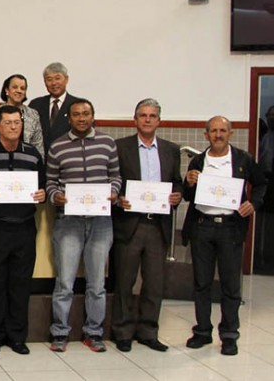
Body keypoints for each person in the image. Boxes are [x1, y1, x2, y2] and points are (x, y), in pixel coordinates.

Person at [182, 115, 267, 356]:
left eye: (222, 130)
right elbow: (188, 196)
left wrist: (254, 203)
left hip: (230, 227)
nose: (218, 135)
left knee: (230, 285)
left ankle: (229, 334)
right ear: (205, 135)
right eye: (213, 131)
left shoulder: (242, 159)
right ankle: (202, 331)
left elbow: (261, 183)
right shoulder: (198, 161)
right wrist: (188, 182)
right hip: (202, 226)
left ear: (230, 133)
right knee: (201, 283)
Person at [0, 105, 46, 355]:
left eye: (18, 122)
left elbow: (43, 187)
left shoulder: (33, 154)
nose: (14, 127)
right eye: (9, 123)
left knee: (20, 283)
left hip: (24, 227)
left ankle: (16, 336)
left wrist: (42, 194)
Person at [46, 99, 121, 353]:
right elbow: (50, 182)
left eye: (86, 114)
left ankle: (94, 332)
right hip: (68, 221)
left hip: (101, 221)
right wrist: (56, 196)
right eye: (76, 114)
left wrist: (113, 192)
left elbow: (116, 177)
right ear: (69, 118)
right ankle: (59, 333)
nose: (81, 118)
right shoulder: (57, 147)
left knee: (97, 283)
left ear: (93, 115)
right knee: (65, 282)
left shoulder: (107, 143)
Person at [111, 98, 182, 353]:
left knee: (154, 282)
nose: (148, 119)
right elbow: (113, 180)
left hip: (158, 226)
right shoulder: (120, 147)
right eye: (143, 115)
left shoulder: (171, 150)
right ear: (135, 119)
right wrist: (118, 198)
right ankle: (122, 331)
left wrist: (178, 195)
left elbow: (177, 183)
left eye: (152, 115)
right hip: (130, 223)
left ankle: (149, 332)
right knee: (124, 282)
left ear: (159, 120)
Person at [0, 74, 44, 155]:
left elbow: (38, 146)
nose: (19, 90)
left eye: (22, 88)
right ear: (7, 90)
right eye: (15, 87)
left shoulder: (33, 114)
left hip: (27, 162)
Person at [29, 62, 83, 154]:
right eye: (49, 79)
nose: (54, 83)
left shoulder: (78, 105)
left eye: (58, 78)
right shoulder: (35, 104)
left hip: (69, 157)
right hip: (41, 159)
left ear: (66, 79)